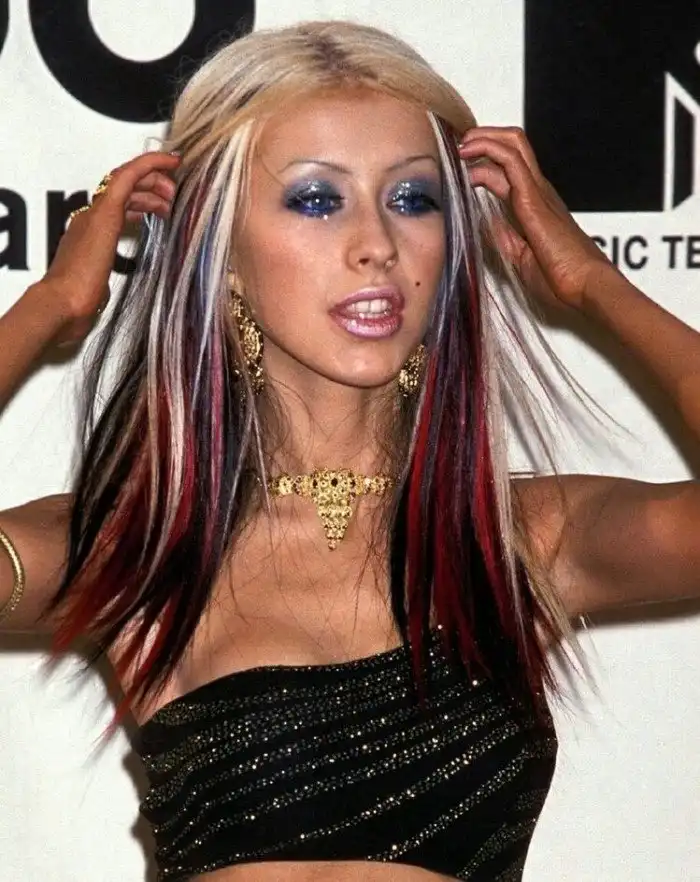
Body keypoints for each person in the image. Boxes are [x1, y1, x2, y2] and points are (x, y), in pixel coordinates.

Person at [0, 19, 698, 882]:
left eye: (412, 199)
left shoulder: (522, 539)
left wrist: (592, 282)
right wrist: (54, 304)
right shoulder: (143, 550)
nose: (377, 245)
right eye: (316, 200)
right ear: (221, 253)